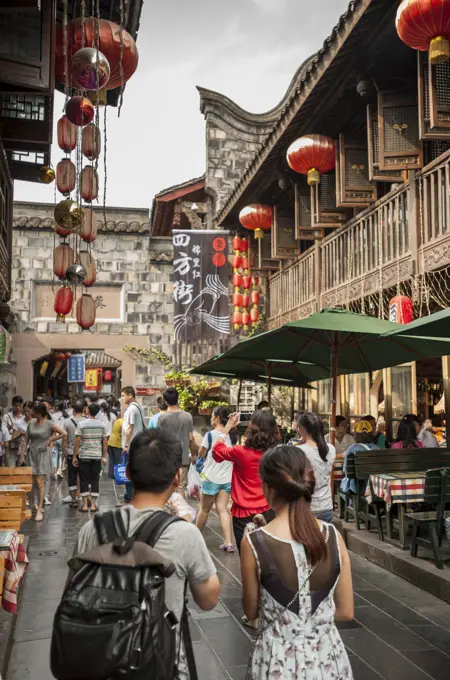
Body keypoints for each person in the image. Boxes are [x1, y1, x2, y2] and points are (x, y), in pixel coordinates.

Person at [74, 427, 220, 678]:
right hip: (163, 663)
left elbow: (76, 594)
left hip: (102, 660)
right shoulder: (185, 534)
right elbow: (208, 600)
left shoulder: (91, 529)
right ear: (177, 477)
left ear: (128, 472)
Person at [240, 445, 354, 680]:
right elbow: (346, 612)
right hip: (328, 659)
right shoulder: (334, 537)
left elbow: (250, 611)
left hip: (276, 660)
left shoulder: (254, 542)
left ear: (267, 488)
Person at [212, 409, 280, 553]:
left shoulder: (239, 452)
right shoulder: (277, 454)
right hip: (269, 509)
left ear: (251, 428)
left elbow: (216, 452)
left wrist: (228, 426)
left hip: (242, 512)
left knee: (246, 556)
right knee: (270, 556)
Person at [194, 406, 234, 552]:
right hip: (226, 479)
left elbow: (201, 453)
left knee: (204, 509)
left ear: (217, 418)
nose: (211, 418)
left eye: (212, 416)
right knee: (223, 509)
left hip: (211, 478)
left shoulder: (211, 435)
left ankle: (194, 538)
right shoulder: (231, 435)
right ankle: (229, 542)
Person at [19, 402, 67, 522]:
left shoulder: (49, 424)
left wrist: (50, 439)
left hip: (43, 454)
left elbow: (63, 433)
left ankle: (40, 508)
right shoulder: (31, 423)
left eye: (33, 411)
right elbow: (25, 441)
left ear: (39, 412)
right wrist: (22, 456)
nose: (30, 413)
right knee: (30, 482)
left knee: (40, 482)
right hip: (31, 454)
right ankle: (32, 504)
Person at [296, 412, 336, 523]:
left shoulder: (300, 450)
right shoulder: (331, 449)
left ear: (302, 429)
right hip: (326, 506)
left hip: (307, 507)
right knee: (323, 539)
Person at [158, 388, 198, 496]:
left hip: (167, 459)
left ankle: (169, 510)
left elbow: (159, 439)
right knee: (181, 486)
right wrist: (194, 454)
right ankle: (180, 511)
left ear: (165, 401)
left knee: (168, 486)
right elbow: (191, 438)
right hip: (183, 458)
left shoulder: (162, 417)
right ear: (177, 399)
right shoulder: (187, 416)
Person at [73, 403, 108, 513]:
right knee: (95, 480)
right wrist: (104, 456)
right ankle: (93, 505)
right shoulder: (102, 425)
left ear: (87, 411)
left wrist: (74, 456)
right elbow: (105, 442)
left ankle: (84, 505)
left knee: (84, 480)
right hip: (97, 456)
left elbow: (77, 441)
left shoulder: (82, 424)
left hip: (84, 456)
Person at [340, 420, 380, 494]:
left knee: (343, 485)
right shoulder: (377, 448)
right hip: (374, 488)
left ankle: (351, 504)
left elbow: (345, 471)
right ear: (371, 434)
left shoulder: (352, 449)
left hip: (357, 488)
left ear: (356, 435)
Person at [121, 386, 146, 503]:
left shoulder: (131, 409)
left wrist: (126, 445)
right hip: (137, 444)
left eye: (123, 396)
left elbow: (129, 428)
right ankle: (133, 496)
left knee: (129, 471)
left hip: (131, 446)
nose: (122, 399)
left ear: (130, 395)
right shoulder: (138, 407)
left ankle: (129, 497)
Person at [61, 401, 85, 507]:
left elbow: (64, 438)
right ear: (84, 409)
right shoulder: (87, 421)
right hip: (84, 452)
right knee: (83, 476)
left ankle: (74, 499)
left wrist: (63, 451)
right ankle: (82, 496)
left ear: (73, 410)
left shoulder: (67, 422)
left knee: (72, 476)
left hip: (71, 452)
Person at [107, 412, 124, 506]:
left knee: (112, 461)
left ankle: (112, 475)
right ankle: (118, 477)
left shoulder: (118, 420)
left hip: (111, 442)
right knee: (118, 462)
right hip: (117, 443)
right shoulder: (123, 421)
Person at [2, 395, 24, 467]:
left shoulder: (24, 417)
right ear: (12, 405)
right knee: (10, 468)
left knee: (21, 469)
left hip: (22, 446)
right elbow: (3, 430)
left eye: (19, 405)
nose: (17, 407)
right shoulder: (7, 416)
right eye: (15, 405)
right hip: (10, 445)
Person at [52, 401, 68, 480]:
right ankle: (60, 470)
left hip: (56, 436)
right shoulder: (67, 416)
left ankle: (54, 471)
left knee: (55, 454)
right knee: (62, 453)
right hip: (64, 437)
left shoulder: (53, 415)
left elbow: (53, 427)